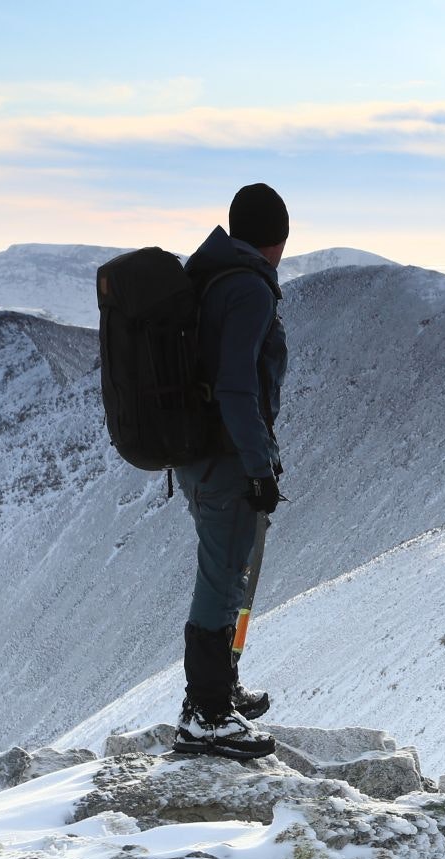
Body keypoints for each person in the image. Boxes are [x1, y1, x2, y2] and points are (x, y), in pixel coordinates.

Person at [174, 183, 290, 760]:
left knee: (228, 573)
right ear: (278, 240)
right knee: (223, 577)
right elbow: (237, 388)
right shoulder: (248, 288)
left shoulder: (209, 275)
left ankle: (222, 691)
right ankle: (206, 715)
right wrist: (259, 466)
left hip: (199, 454)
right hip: (225, 458)